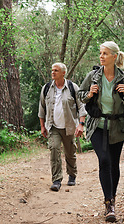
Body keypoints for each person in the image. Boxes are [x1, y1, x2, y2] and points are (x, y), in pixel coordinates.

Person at [78, 41, 124, 222]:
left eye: (105, 53)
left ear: (114, 56)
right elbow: (80, 95)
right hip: (97, 125)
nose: (101, 56)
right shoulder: (93, 76)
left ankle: (112, 199)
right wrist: (89, 94)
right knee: (104, 160)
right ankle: (108, 203)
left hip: (117, 127)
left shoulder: (123, 77)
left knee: (114, 164)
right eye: (100, 53)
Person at [38, 63, 87, 192]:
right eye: (52, 70)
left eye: (56, 70)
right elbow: (41, 108)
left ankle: (72, 175)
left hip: (69, 126)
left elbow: (82, 107)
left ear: (63, 73)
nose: (53, 72)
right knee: (54, 149)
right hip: (53, 126)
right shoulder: (47, 88)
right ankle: (56, 180)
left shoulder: (72, 87)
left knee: (70, 152)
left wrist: (81, 124)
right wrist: (42, 126)